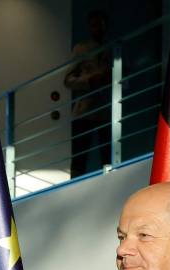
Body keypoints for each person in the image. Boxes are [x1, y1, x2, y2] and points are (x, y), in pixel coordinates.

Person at [65, 10, 112, 178]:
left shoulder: (113, 47)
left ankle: (110, 186)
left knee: (108, 158)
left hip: (106, 111)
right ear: (89, 27)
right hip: (83, 112)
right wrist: (90, 80)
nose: (97, 28)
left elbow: (126, 77)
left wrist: (110, 77)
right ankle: (75, 189)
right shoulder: (81, 49)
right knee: (79, 159)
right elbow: (68, 80)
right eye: (94, 25)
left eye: (100, 24)